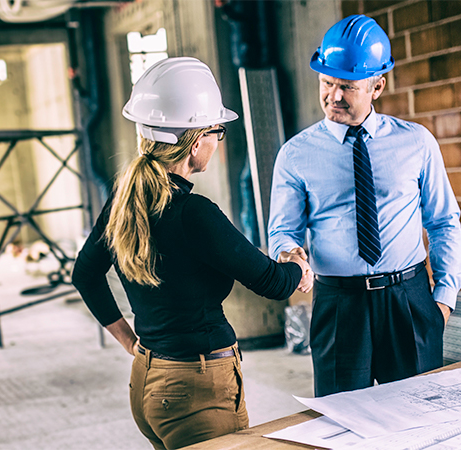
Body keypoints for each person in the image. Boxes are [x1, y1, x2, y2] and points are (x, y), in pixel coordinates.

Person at [72, 57, 313, 450]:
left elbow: (85, 274)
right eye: (216, 130)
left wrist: (131, 344)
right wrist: (297, 267)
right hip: (197, 392)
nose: (219, 140)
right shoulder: (193, 213)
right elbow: (270, 282)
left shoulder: (124, 199)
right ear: (195, 138)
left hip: (148, 380)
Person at [268, 15, 461, 398]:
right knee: (343, 424)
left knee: (420, 418)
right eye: (326, 83)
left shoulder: (417, 143)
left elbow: (443, 221)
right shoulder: (295, 155)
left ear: (377, 85)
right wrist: (289, 252)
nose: (333, 97)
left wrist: (443, 299)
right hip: (340, 305)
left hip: (409, 301)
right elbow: (283, 229)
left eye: (347, 87)